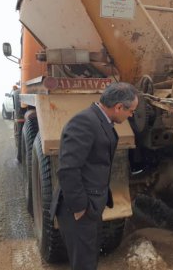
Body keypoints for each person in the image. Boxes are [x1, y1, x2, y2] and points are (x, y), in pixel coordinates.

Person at [50, 82, 138, 270]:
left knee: (89, 259)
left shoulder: (101, 120)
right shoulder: (84, 122)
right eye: (131, 111)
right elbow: (68, 169)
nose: (131, 115)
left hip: (91, 207)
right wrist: (80, 207)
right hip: (78, 210)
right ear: (118, 107)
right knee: (84, 264)